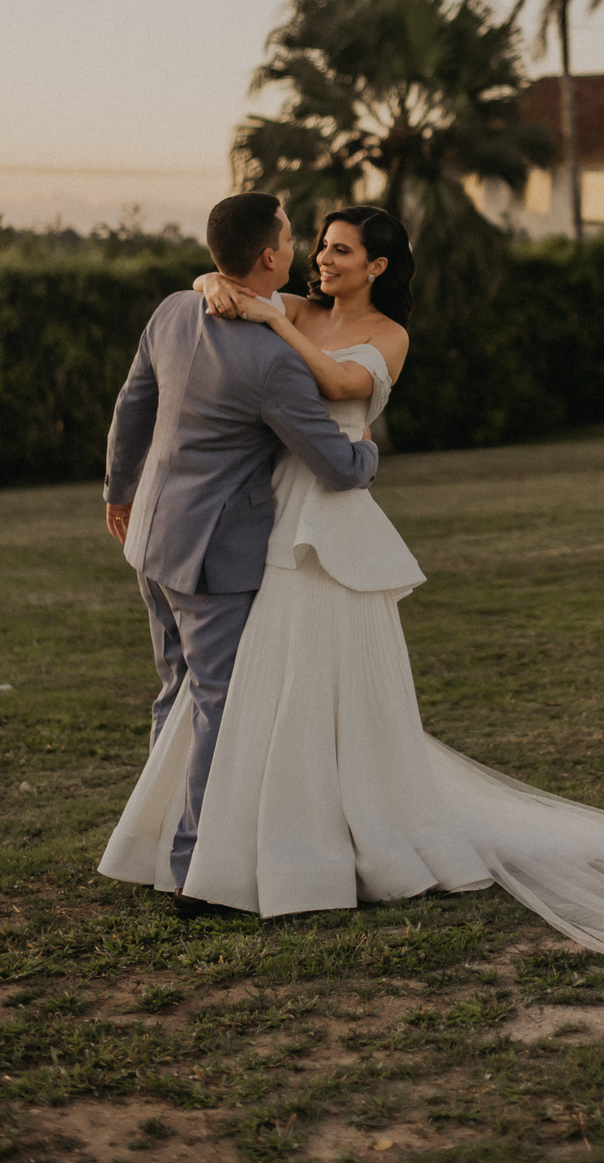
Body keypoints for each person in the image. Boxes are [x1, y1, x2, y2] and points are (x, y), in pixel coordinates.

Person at [100, 204, 604, 998]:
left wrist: (271, 323)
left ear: (378, 266)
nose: (323, 259)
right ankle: (235, 839)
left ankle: (279, 843)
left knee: (286, 689)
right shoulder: (290, 311)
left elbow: (338, 384)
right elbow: (230, 286)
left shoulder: (381, 336)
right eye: (320, 246)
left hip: (324, 521)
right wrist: (217, 284)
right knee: (257, 692)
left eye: (341, 250)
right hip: (270, 521)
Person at [101, 192, 378, 917]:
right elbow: (334, 467)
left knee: (175, 694)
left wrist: (119, 492)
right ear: (269, 256)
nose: (300, 248)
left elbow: (131, 406)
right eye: (290, 236)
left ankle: (155, 844)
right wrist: (368, 452)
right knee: (218, 706)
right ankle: (194, 870)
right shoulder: (272, 362)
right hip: (211, 557)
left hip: (150, 536)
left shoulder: (172, 310)